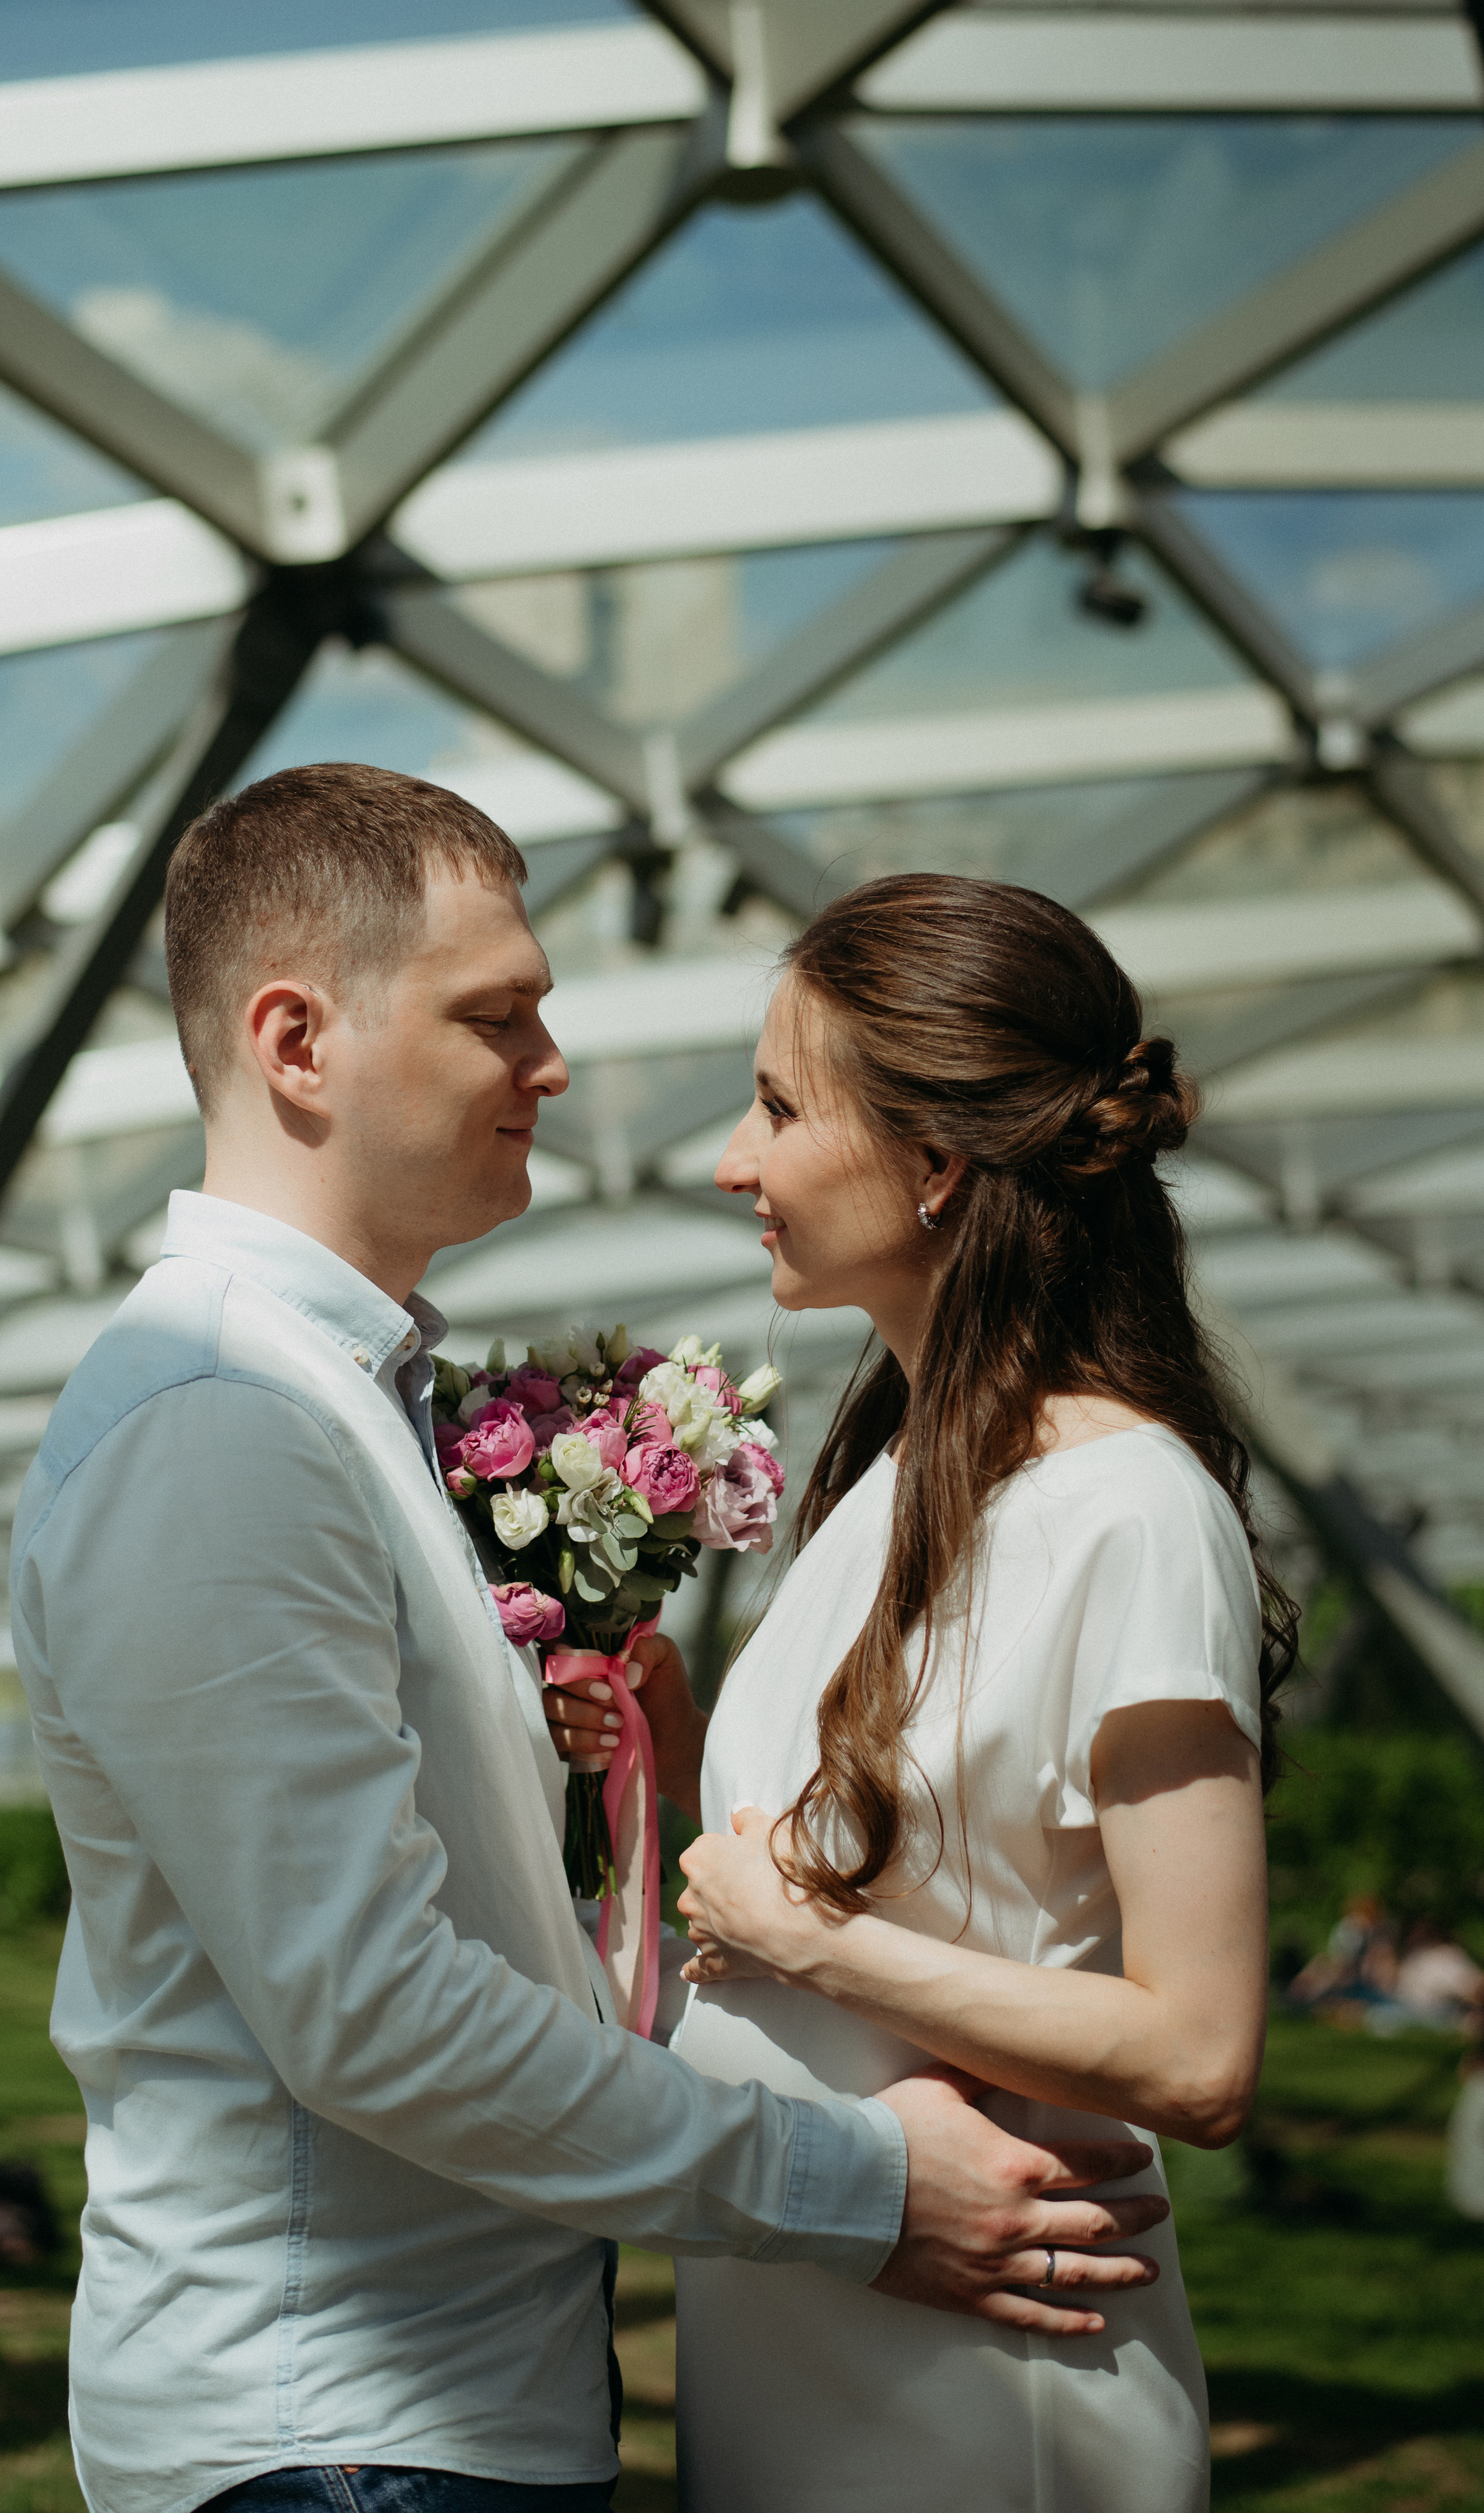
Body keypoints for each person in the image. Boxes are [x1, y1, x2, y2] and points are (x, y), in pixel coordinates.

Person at [9, 775, 1167, 2513]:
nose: (552, 1065)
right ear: (296, 1042)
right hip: (339, 2435)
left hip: (415, 2415)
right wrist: (863, 2183)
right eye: (500, 1015)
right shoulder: (220, 1416)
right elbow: (370, 2012)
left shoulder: (326, 1399)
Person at [548, 873, 1291, 2513]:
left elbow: (1199, 2049)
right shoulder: (887, 1480)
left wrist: (806, 1931)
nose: (733, 1162)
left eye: (775, 1108)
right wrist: (665, 1758)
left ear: (938, 1161)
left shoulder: (1127, 1511)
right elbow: (844, 1882)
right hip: (809, 2324)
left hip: (980, 2391)